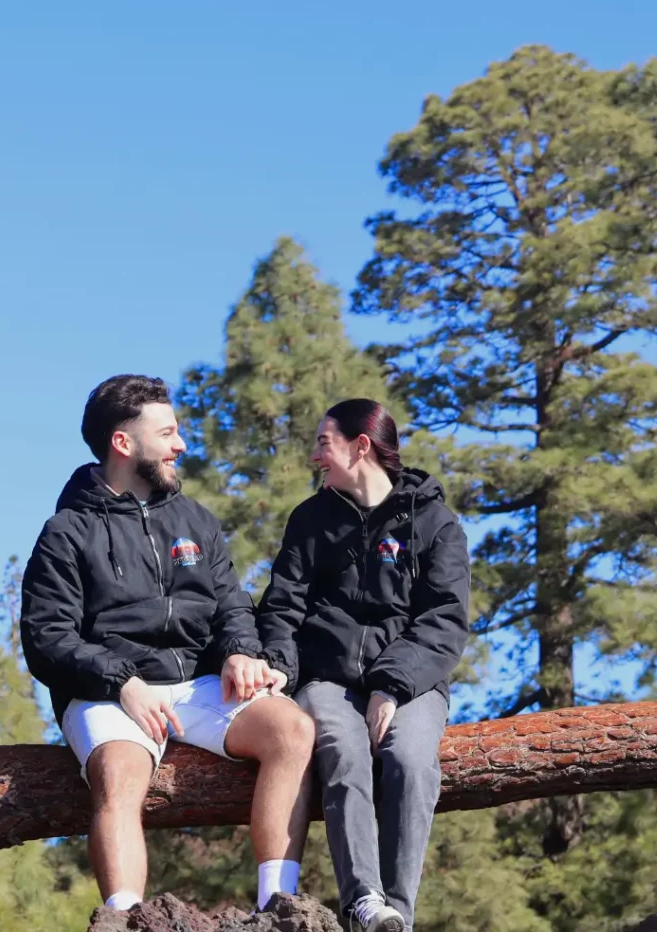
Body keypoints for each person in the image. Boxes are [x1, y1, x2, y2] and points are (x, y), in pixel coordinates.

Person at [21, 374, 315, 913]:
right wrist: (122, 682)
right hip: (109, 692)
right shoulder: (65, 532)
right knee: (119, 772)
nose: (181, 445)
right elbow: (46, 638)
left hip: (199, 686)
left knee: (292, 730)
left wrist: (240, 654)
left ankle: (278, 910)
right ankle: (125, 918)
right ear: (124, 443)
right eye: (169, 433)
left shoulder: (196, 519)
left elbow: (231, 604)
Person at [257, 399, 470, 932]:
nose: (315, 456)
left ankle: (397, 915)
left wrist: (391, 685)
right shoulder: (310, 519)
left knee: (411, 762)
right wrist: (280, 666)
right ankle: (363, 901)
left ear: (361, 446)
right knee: (345, 755)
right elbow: (281, 606)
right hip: (325, 678)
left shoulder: (437, 522)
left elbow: (445, 619)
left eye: (324, 443)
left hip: (413, 683)